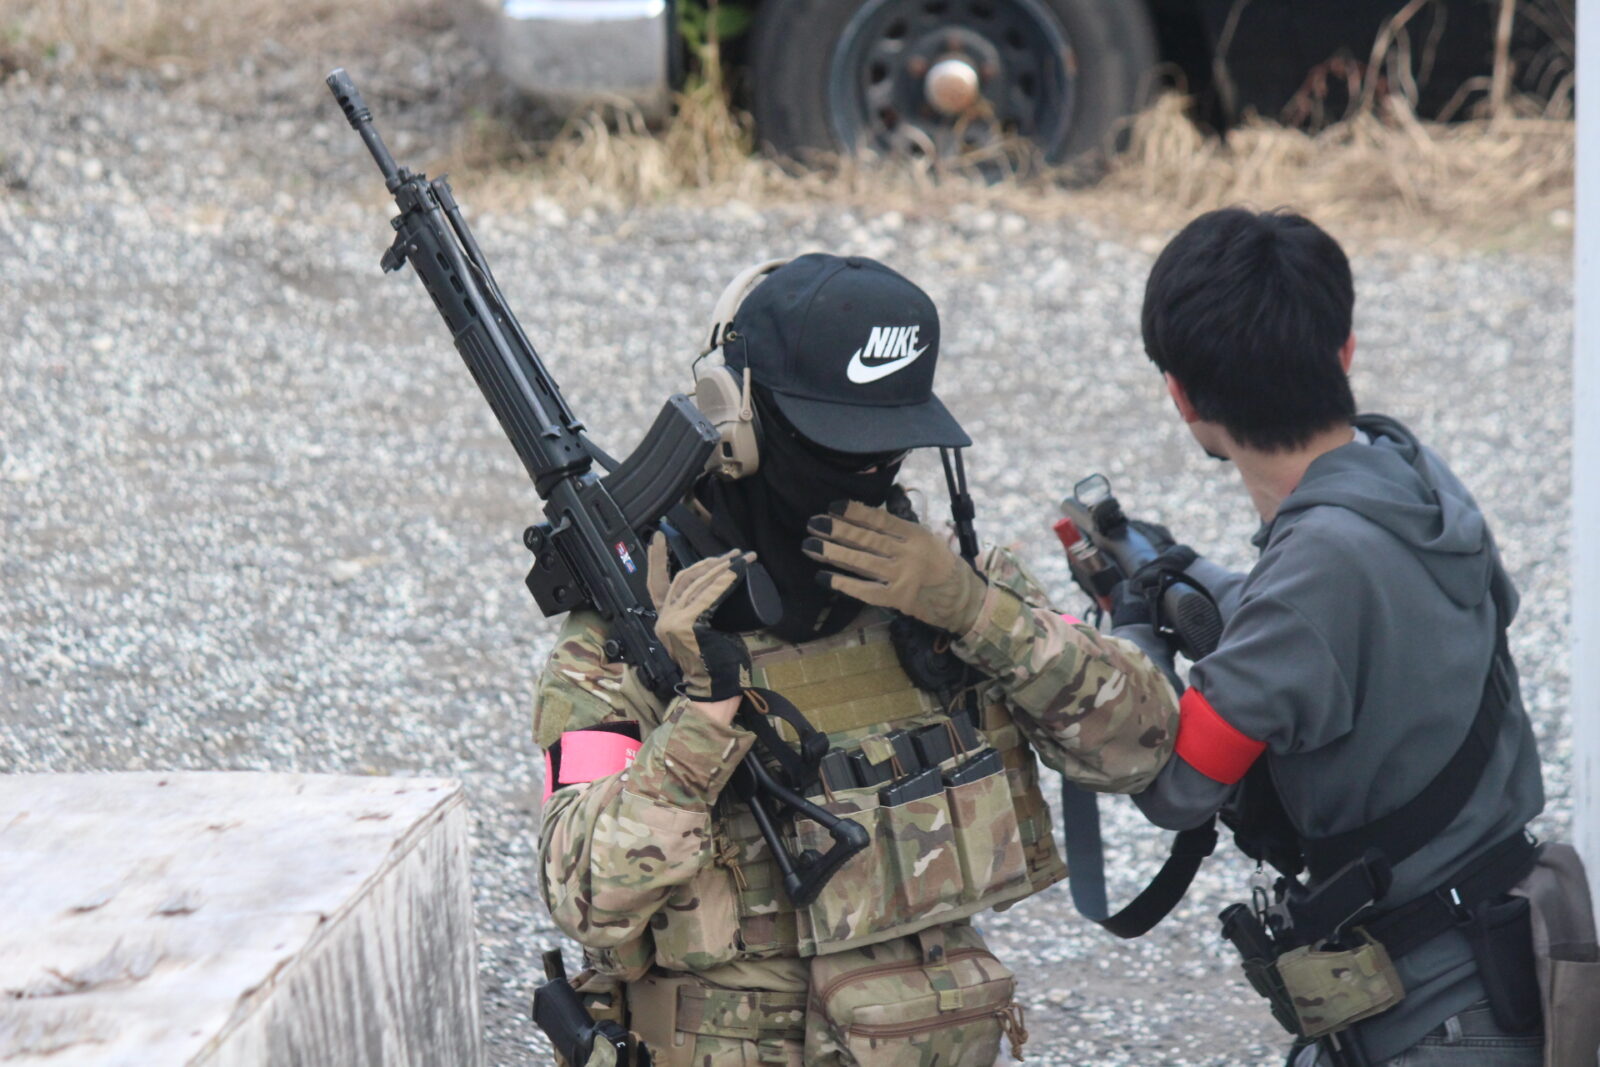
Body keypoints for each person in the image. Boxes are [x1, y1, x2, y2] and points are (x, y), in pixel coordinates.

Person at [534, 253, 1179, 1067]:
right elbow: (583, 892)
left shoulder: (943, 586)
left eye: (887, 449)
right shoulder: (632, 631)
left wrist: (977, 611)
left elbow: (1141, 745)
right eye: (831, 447)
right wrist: (701, 718)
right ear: (737, 422)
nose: (866, 476)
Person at [1100, 208, 1546, 1065]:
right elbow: (1331, 620)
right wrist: (1185, 575)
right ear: (1343, 349)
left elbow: (1178, 786)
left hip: (1433, 1020)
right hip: (1499, 957)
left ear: (1182, 396)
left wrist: (1131, 638)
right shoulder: (1408, 471)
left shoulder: (1311, 579)